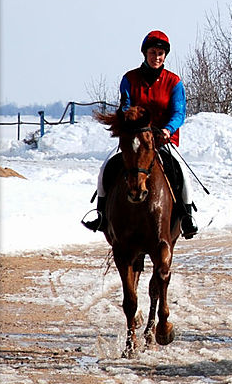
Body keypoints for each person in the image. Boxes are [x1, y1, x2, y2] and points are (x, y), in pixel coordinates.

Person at [82, 30, 198, 238]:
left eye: (161, 53)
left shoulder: (174, 82)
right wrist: (129, 120)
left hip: (163, 140)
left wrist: (167, 129)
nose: (157, 57)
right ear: (145, 53)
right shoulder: (130, 78)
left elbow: (179, 112)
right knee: (105, 169)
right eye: (153, 52)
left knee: (183, 173)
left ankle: (186, 215)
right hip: (135, 139)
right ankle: (101, 215)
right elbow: (125, 105)